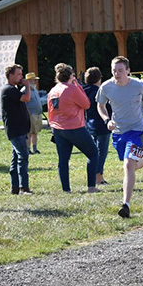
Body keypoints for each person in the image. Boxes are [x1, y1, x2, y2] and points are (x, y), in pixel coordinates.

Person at [96, 56, 143, 219]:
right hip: (118, 131)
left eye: (120, 71)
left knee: (128, 164)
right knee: (130, 163)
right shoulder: (106, 87)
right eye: (114, 71)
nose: (117, 74)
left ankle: (126, 205)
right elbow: (100, 105)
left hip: (138, 129)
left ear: (128, 71)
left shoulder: (138, 85)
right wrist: (107, 120)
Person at [48, 63, 100, 193]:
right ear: (71, 76)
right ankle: (91, 187)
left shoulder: (53, 90)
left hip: (58, 129)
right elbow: (86, 104)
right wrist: (77, 86)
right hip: (75, 127)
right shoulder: (71, 88)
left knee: (63, 160)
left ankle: (66, 189)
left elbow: (50, 110)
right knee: (93, 154)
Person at [1, 64, 33, 195]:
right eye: (19, 74)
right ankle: (23, 187)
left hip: (19, 129)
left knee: (16, 158)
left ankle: (15, 187)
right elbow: (26, 98)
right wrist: (28, 86)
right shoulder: (9, 89)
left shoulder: (12, 89)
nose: (21, 77)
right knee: (23, 156)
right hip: (16, 130)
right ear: (11, 75)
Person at [83, 67, 111, 185]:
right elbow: (106, 107)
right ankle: (98, 176)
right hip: (102, 125)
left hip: (89, 125)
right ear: (99, 78)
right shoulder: (99, 91)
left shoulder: (83, 91)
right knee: (101, 152)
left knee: (94, 152)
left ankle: (96, 175)